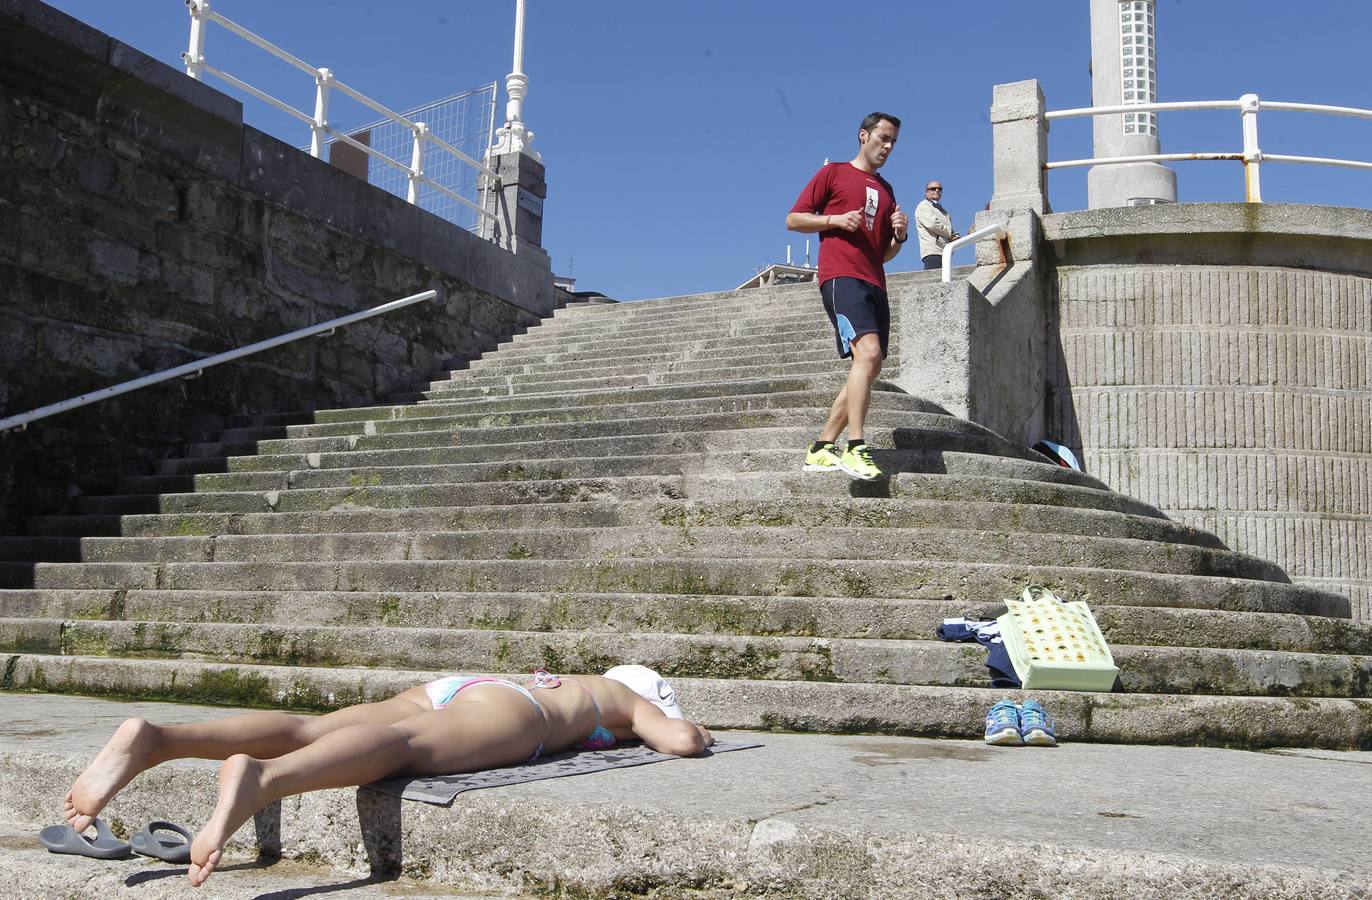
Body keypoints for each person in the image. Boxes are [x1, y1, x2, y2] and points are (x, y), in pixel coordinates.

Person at [61, 666, 711, 887]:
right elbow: (678, 740)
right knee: (402, 747)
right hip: (517, 713)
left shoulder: (567, 675)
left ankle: (159, 741)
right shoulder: (623, 696)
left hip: (455, 686)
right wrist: (694, 729)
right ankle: (265, 780)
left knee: (315, 726)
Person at [785, 112, 910, 481]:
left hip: (875, 279)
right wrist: (835, 221)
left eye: (893, 142)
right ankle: (856, 447)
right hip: (841, 276)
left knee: (870, 366)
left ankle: (823, 447)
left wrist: (898, 237)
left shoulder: (886, 190)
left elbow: (882, 253)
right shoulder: (834, 173)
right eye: (883, 138)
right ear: (863, 135)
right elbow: (794, 219)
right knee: (867, 353)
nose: (887, 147)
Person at [914, 181, 959, 271]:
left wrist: (955, 235)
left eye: (939, 189)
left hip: (945, 251)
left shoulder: (943, 211)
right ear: (926, 192)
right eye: (933, 189)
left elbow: (948, 229)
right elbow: (933, 224)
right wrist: (951, 234)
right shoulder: (923, 206)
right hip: (933, 251)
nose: (937, 190)